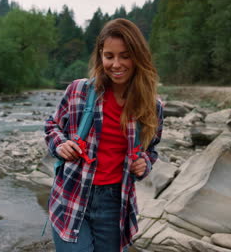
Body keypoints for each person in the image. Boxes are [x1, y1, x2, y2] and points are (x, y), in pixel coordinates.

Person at [44, 18, 163, 252]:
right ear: (100, 56)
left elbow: (151, 149)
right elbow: (52, 125)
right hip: (71, 194)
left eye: (125, 55)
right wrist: (60, 145)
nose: (116, 64)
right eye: (109, 56)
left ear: (138, 57)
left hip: (114, 203)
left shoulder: (151, 106)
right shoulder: (78, 90)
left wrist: (144, 164)